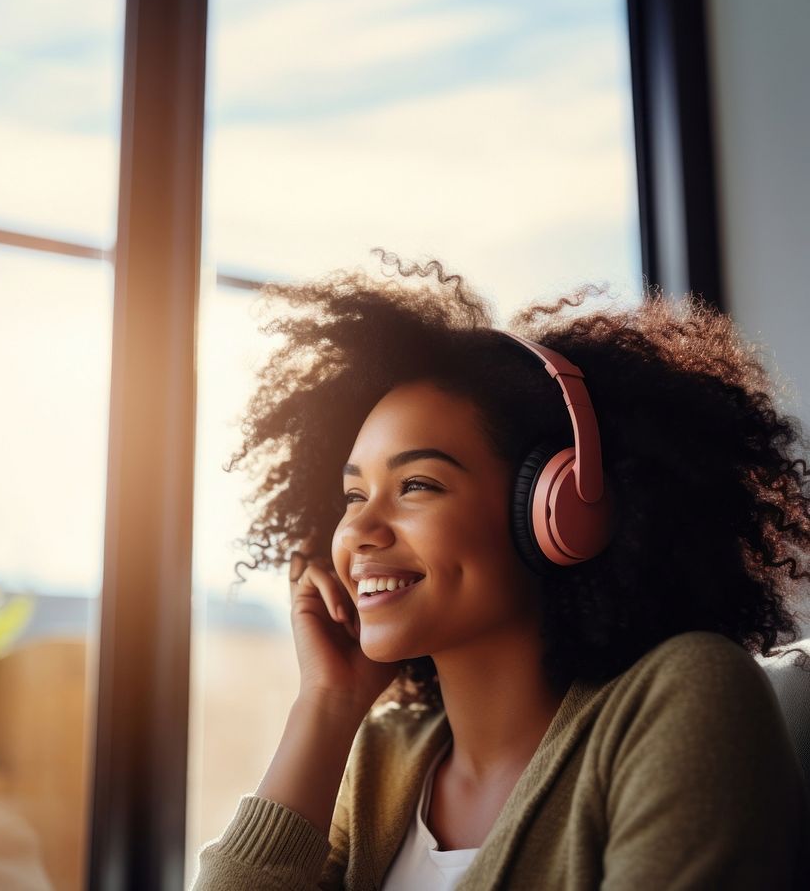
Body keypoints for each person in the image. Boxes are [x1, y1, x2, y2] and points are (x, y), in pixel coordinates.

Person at [191, 251, 810, 890]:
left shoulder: (680, 696)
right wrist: (327, 705)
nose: (358, 532)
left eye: (417, 484)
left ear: (558, 508)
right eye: (353, 496)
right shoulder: (385, 756)